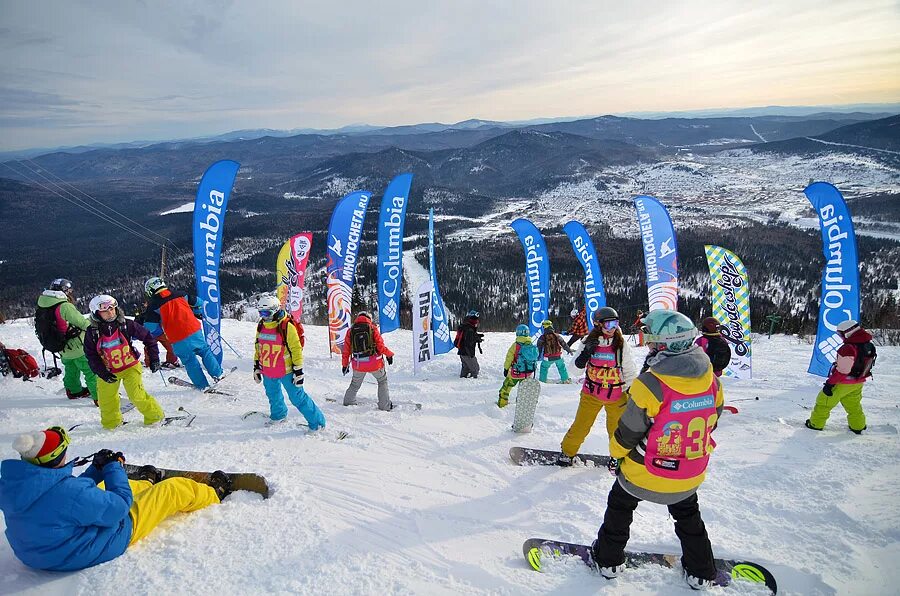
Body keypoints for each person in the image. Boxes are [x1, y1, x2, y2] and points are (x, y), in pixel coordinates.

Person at [591, 309, 724, 589]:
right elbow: (714, 417)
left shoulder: (650, 384)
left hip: (646, 471)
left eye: (651, 341)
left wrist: (616, 455)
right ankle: (701, 571)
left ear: (663, 345)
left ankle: (608, 560)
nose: (648, 345)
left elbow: (627, 434)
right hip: (689, 471)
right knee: (688, 516)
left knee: (620, 505)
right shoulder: (712, 380)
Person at [0, 425, 228, 572]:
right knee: (172, 489)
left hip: (37, 553)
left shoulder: (16, 484)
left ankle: (145, 484)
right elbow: (118, 508)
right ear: (57, 456)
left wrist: (97, 470)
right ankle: (214, 493)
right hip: (82, 549)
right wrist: (113, 468)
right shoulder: (70, 493)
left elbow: (70, 495)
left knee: (119, 488)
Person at [558, 307, 638, 466]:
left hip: (617, 396)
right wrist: (585, 354)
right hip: (591, 394)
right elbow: (574, 371)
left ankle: (618, 457)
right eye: (609, 325)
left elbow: (630, 372)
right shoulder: (588, 342)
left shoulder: (621, 344)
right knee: (580, 427)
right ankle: (567, 453)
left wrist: (632, 394)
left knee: (617, 431)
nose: (613, 328)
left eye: (615, 323)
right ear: (598, 324)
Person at [84, 295, 165, 429]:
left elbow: (148, 338)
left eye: (112, 308)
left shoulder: (126, 324)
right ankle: (112, 423)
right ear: (96, 313)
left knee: (137, 395)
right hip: (107, 370)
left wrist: (154, 358)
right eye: (105, 310)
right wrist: (102, 373)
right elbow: (91, 355)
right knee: (106, 400)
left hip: (130, 367)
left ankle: (155, 416)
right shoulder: (92, 332)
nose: (110, 312)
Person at [253, 296, 325, 428]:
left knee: (298, 398)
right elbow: (258, 347)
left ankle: (317, 423)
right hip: (268, 370)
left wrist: (298, 371)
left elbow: (296, 349)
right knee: (273, 395)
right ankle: (278, 415)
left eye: (266, 313)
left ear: (275, 310)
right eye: (261, 313)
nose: (264, 317)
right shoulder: (261, 325)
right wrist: (256, 367)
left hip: (286, 371)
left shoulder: (286, 326)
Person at [141, 276, 223, 389]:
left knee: (189, 361)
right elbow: (200, 302)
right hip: (194, 330)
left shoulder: (154, 306)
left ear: (150, 291)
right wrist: (196, 311)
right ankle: (218, 374)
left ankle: (202, 385)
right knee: (205, 352)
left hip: (177, 337)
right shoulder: (181, 294)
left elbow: (150, 328)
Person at [805, 319, 875, 434]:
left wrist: (830, 384)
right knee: (854, 406)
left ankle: (815, 424)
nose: (840, 337)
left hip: (843, 383)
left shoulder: (848, 348)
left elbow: (843, 371)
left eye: (840, 334)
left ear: (848, 332)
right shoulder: (868, 345)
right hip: (858, 382)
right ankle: (858, 426)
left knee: (824, 402)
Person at [35, 278, 98, 401]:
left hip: (61, 346)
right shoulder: (64, 306)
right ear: (64, 291)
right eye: (69, 290)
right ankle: (100, 396)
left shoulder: (44, 304)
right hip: (77, 346)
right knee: (90, 370)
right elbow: (82, 323)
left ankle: (74, 391)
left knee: (71, 369)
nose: (70, 292)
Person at [341, 311, 395, 411]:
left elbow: (346, 351)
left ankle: (348, 401)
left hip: (358, 364)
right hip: (374, 363)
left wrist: (345, 365)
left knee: (355, 384)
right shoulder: (372, 328)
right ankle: (384, 405)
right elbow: (380, 346)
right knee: (382, 381)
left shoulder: (351, 331)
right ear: (369, 318)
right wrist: (389, 354)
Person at [497, 324, 539, 408]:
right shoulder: (531, 345)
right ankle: (522, 404)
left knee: (507, 386)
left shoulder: (516, 345)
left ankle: (502, 403)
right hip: (527, 373)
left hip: (516, 372)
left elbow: (509, 357)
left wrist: (506, 368)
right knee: (524, 389)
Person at [135, 303, 180, 369]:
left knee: (168, 346)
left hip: (157, 333)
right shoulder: (146, 314)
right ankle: (151, 362)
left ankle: (171, 360)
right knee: (152, 347)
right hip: (154, 334)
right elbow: (137, 324)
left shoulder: (154, 311)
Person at [536, 319, 573, 383]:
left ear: (544, 327)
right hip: (559, 356)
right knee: (561, 367)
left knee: (544, 368)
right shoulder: (557, 335)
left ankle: (542, 381)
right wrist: (569, 350)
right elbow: (563, 343)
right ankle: (565, 380)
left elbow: (539, 348)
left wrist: (538, 356)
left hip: (548, 357)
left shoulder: (542, 337)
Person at [454, 309, 484, 378]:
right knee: (475, 369)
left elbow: (468, 338)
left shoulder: (466, 326)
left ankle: (461, 381)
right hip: (467, 353)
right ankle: (473, 383)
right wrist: (471, 355)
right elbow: (468, 342)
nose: (477, 321)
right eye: (476, 319)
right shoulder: (469, 329)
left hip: (462, 352)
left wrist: (477, 336)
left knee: (466, 368)